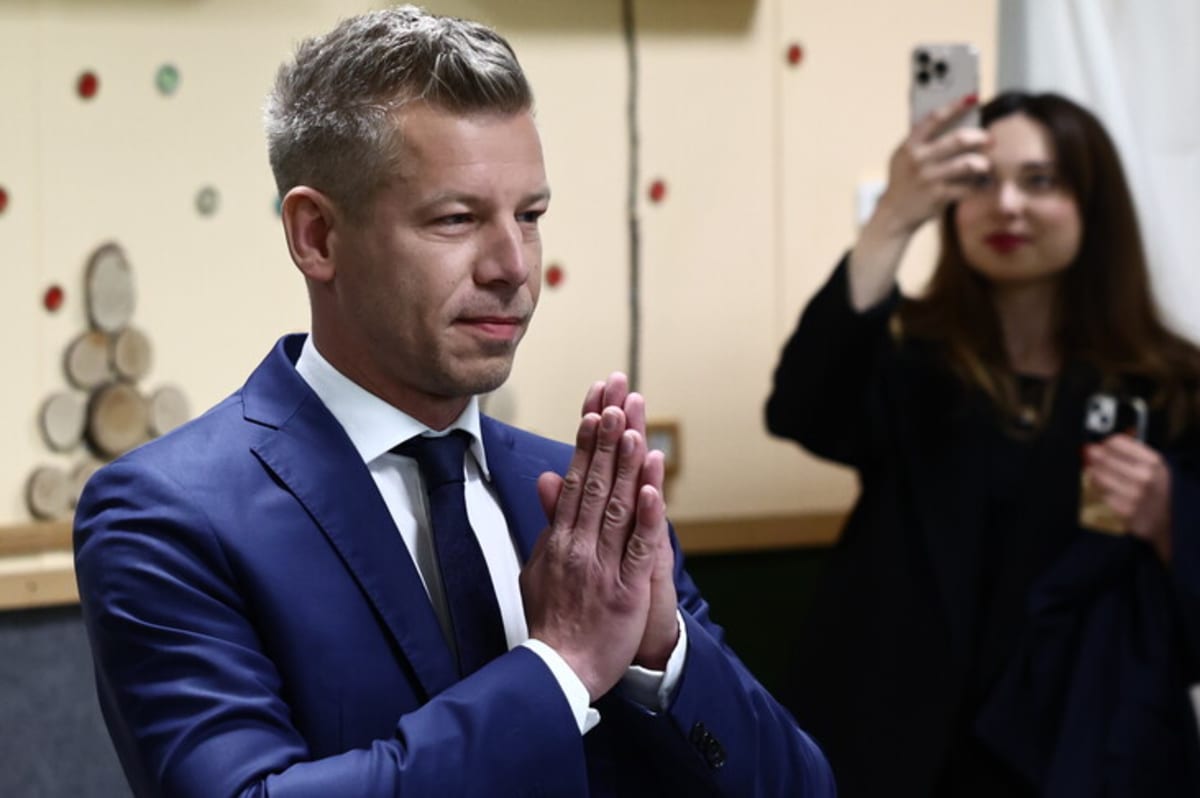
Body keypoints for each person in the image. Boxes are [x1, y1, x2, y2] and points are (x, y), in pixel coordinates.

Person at [74, 6, 834, 798]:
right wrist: (560, 669)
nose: (512, 264)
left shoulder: (584, 502)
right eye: (457, 219)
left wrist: (661, 658)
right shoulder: (165, 514)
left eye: (531, 216)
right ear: (317, 237)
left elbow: (800, 788)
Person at [766, 90, 1200, 797]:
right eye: (979, 181)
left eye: (1040, 180)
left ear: (1095, 205)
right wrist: (893, 219)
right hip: (897, 741)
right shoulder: (908, 359)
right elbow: (801, 410)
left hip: (1085, 749)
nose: (1007, 205)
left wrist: (1168, 514)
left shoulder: (1169, 387)